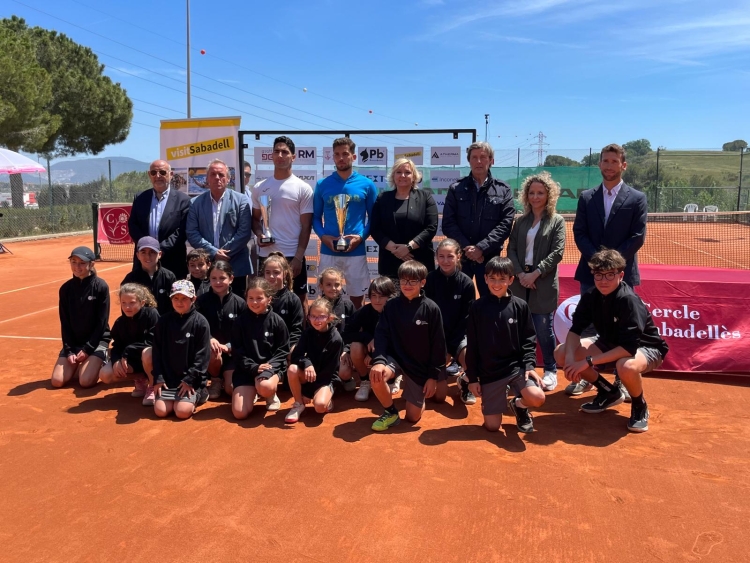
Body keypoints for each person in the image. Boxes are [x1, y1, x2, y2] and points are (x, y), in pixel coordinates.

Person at [554, 249, 667, 433]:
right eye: (599, 275)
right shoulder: (591, 296)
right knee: (561, 351)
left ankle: (639, 405)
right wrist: (569, 359)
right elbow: (575, 330)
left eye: (609, 275)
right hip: (609, 342)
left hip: (645, 348)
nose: (603, 280)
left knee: (626, 366)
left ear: (621, 275)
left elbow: (629, 348)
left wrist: (586, 362)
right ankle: (608, 392)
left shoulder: (628, 300)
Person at [568, 143, 648, 397]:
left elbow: (637, 237)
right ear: (599, 164)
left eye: (614, 161)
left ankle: (620, 379)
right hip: (590, 272)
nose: (609, 165)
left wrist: (612, 267)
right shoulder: (586, 197)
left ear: (623, 165)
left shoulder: (637, 198)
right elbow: (579, 232)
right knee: (588, 327)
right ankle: (587, 377)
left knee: (622, 330)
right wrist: (598, 265)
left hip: (622, 273)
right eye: (605, 161)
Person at [465, 257, 546, 433]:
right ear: (485, 279)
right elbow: (472, 345)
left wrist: (529, 364)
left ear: (511, 280)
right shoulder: (476, 308)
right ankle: (496, 400)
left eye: (502, 279)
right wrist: (472, 378)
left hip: (516, 369)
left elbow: (528, 339)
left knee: (537, 397)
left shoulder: (521, 306)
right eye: (492, 278)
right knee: (492, 426)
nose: (497, 283)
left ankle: (519, 405)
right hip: (490, 373)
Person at [369, 261, 447, 432]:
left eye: (413, 281)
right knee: (376, 375)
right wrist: (380, 360)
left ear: (422, 282)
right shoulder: (391, 306)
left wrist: (432, 376)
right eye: (404, 280)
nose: (407, 285)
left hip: (420, 367)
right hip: (395, 359)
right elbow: (381, 334)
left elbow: (438, 345)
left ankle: (416, 397)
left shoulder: (432, 309)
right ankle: (391, 412)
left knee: (412, 418)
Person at [507, 171, 566, 392]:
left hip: (543, 282)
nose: (535, 197)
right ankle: (522, 369)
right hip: (519, 282)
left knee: (543, 329)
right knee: (519, 328)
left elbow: (558, 252)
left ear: (548, 195)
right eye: (531, 192)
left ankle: (550, 369)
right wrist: (521, 274)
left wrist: (536, 273)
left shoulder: (557, 221)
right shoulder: (520, 221)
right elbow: (511, 248)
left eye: (540, 193)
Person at [441, 141, 515, 297]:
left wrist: (481, 248)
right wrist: (468, 248)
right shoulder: (456, 188)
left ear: (491, 160)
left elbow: (506, 224)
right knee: (457, 303)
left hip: (489, 258)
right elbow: (448, 223)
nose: (479, 161)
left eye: (483, 157)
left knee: (491, 303)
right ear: (469, 161)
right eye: (474, 157)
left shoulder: (503, 190)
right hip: (462, 258)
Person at [313, 137, 378, 308]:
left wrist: (361, 237)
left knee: (357, 298)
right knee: (326, 297)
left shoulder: (367, 185)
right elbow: (315, 217)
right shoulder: (322, 184)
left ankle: (357, 331)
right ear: (332, 157)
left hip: (355, 251)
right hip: (329, 250)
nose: (341, 158)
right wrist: (323, 237)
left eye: (345, 154)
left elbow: (373, 218)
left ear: (353, 157)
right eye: (337, 154)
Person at [252, 136, 314, 307]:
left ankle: (300, 334)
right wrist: (259, 235)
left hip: (292, 256)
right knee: (265, 299)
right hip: (266, 255)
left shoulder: (303, 188)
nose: (280, 155)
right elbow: (255, 220)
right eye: (276, 151)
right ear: (271, 155)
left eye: (285, 152)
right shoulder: (259, 187)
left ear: (293, 157)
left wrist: (298, 257)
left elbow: (306, 225)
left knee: (300, 301)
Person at [187, 158, 253, 297]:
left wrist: (224, 254)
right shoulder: (195, 203)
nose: (217, 178)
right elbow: (192, 233)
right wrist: (213, 252)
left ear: (228, 179)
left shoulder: (241, 200)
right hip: (207, 267)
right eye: (213, 174)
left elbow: (244, 232)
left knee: (236, 310)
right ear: (207, 178)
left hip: (236, 266)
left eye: (221, 175)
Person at [424, 238, 476, 405]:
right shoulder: (429, 280)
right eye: (441, 256)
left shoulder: (467, 283)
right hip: (436, 337)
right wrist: (440, 344)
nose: (445, 261)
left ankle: (465, 383)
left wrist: (452, 343)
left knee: (470, 358)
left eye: (450, 256)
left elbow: (466, 318)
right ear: (436, 257)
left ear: (458, 256)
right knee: (438, 397)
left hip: (458, 336)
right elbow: (426, 314)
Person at [51, 246, 111, 389]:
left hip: (96, 341)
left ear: (91, 264)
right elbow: (65, 322)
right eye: (73, 262)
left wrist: (88, 349)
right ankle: (83, 362)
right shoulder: (65, 289)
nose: (77, 266)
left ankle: (103, 357)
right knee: (57, 381)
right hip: (75, 342)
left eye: (82, 263)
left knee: (85, 381)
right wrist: (69, 350)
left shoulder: (100, 286)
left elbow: (101, 322)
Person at [230, 277, 290, 419]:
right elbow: (237, 352)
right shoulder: (239, 322)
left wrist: (269, 366)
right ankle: (254, 391)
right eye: (251, 298)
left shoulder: (277, 321)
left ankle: (269, 394)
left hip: (269, 370)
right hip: (246, 371)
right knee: (240, 413)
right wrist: (254, 367)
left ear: (269, 299)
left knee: (265, 387)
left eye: (259, 298)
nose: (254, 302)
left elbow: (283, 350)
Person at [370, 158, 438, 281]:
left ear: (414, 176)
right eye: (398, 172)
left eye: (407, 172)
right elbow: (375, 228)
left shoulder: (425, 197)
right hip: (390, 261)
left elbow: (431, 227)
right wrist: (394, 249)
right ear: (393, 175)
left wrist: (408, 247)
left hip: (419, 262)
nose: (403, 175)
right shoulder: (382, 198)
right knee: (391, 299)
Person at [151, 280, 211, 419]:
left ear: (193, 299)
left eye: (184, 298)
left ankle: (200, 393)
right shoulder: (163, 321)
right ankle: (175, 397)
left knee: (182, 412)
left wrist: (189, 380)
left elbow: (202, 356)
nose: (179, 302)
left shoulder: (201, 322)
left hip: (191, 380)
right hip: (168, 379)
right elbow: (157, 351)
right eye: (176, 298)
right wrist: (158, 378)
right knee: (161, 411)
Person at [128, 159, 191, 279]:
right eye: (153, 173)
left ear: (171, 175)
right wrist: (146, 248)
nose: (158, 176)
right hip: (143, 261)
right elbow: (133, 224)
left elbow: (182, 231)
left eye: (162, 172)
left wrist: (158, 249)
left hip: (173, 261)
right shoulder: (140, 198)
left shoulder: (183, 200)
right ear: (149, 175)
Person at [99, 284, 159, 406]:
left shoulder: (152, 315)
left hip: (154, 360)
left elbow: (153, 342)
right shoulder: (120, 322)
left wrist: (127, 350)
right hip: (134, 361)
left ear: (142, 303)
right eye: (123, 303)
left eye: (132, 303)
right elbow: (117, 346)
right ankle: (141, 378)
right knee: (105, 374)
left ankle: (153, 386)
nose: (127, 307)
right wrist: (116, 361)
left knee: (148, 352)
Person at [285, 298, 344, 423]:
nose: (317, 321)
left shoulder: (336, 339)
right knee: (292, 369)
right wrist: (307, 364)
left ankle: (327, 397)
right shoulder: (307, 333)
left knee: (320, 407)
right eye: (313, 316)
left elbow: (329, 372)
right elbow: (296, 355)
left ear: (329, 318)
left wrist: (308, 392)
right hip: (310, 374)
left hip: (326, 379)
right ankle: (298, 404)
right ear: (309, 317)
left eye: (321, 317)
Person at [195, 261, 247, 400]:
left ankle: (227, 380)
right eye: (214, 278)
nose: (218, 282)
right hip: (211, 352)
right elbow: (197, 326)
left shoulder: (240, 303)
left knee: (231, 390)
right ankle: (216, 379)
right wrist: (210, 338)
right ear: (209, 279)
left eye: (222, 278)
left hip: (232, 353)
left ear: (231, 279)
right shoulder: (201, 301)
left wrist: (229, 346)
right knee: (213, 351)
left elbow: (245, 332)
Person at [341, 276, 398, 402]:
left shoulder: (397, 312)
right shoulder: (364, 311)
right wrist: (367, 338)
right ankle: (365, 381)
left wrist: (375, 354)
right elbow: (346, 333)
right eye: (373, 295)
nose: (377, 300)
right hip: (371, 349)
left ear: (390, 296)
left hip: (392, 352)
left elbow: (399, 341)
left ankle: (394, 378)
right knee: (355, 346)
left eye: (382, 296)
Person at [318, 267, 356, 391]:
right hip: (322, 352)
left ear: (341, 286)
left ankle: (344, 378)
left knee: (345, 372)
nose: (333, 288)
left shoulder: (348, 305)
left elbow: (353, 331)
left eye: (337, 285)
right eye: (328, 285)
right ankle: (329, 381)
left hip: (342, 352)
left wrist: (347, 350)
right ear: (321, 286)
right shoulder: (316, 307)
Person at [121, 236, 177, 316]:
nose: (148, 256)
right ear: (137, 255)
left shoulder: (169, 277)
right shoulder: (130, 279)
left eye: (152, 252)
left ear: (159, 254)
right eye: (143, 252)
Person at [262, 253, 304, 356]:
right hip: (262, 351)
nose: (271, 276)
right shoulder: (258, 298)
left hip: (285, 351)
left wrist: (288, 349)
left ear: (284, 274)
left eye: (276, 272)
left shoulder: (293, 299)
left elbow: (296, 330)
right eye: (268, 272)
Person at [243, 160, 259, 275]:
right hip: (238, 241)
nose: (245, 177)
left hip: (252, 239)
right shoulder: (230, 193)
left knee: (253, 274)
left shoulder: (251, 193)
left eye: (248, 174)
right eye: (243, 173)